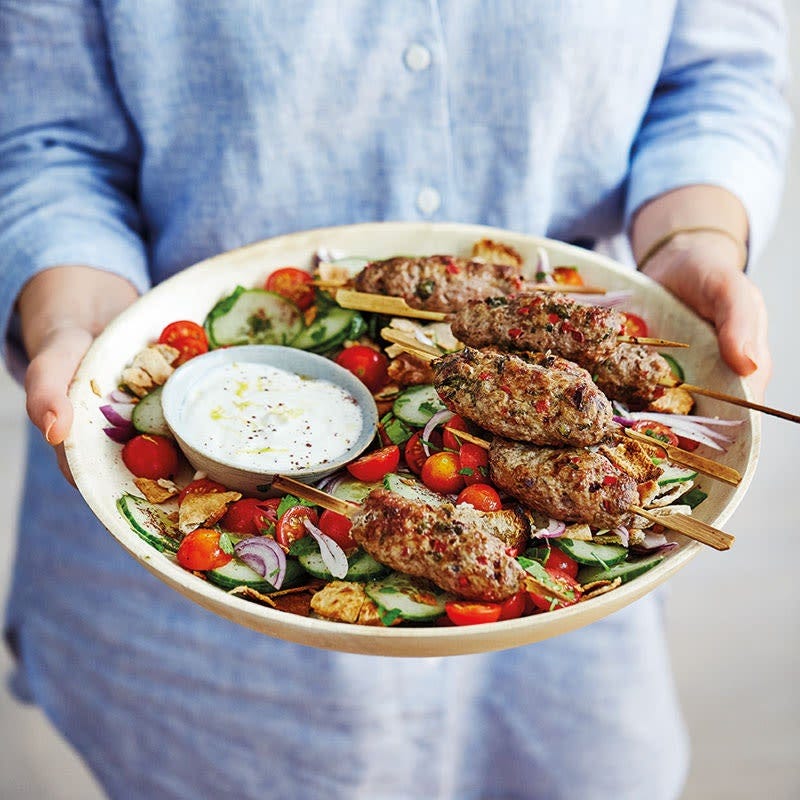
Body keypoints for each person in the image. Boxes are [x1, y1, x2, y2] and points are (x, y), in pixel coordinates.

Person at [0, 3, 791, 799]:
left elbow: (715, 75)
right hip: (191, 650)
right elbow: (47, 140)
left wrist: (690, 242)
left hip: (564, 663)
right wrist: (73, 313)